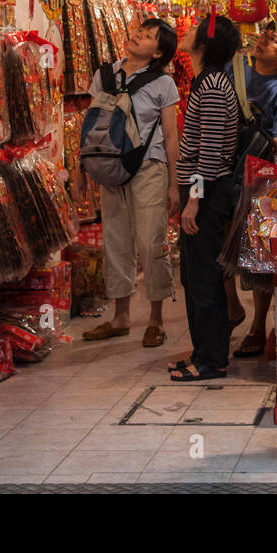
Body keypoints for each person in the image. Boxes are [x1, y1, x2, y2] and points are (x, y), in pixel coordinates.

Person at [82, 18, 180, 347]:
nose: (138, 36)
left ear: (159, 53)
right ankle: (120, 316)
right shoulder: (104, 75)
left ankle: (156, 319)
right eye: (140, 30)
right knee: (116, 240)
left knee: (152, 243)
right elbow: (93, 124)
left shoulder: (163, 83)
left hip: (149, 167)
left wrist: (174, 183)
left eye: (149, 36)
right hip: (110, 165)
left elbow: (170, 136)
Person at [169, 13, 242, 381]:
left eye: (195, 26)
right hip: (200, 188)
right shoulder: (207, 81)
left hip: (208, 192)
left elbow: (209, 153)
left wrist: (194, 200)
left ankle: (213, 358)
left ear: (205, 43)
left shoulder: (212, 86)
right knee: (193, 274)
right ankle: (203, 351)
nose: (187, 29)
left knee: (204, 277)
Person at [225, 21, 277, 358]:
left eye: (275, 39)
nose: (265, 40)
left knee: (257, 253)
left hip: (259, 174)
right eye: (265, 34)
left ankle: (256, 325)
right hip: (224, 168)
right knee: (220, 244)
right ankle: (230, 307)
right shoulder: (234, 68)